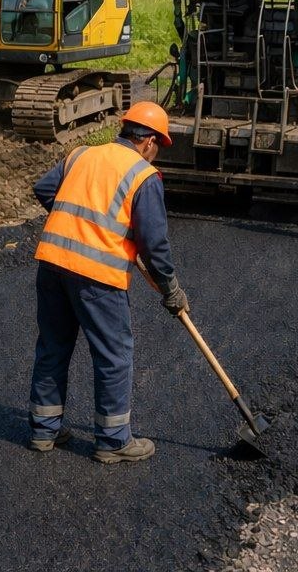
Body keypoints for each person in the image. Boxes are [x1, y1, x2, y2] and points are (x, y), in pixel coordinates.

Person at [26, 101, 189, 463]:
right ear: (149, 141)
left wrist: (74, 225)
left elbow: (44, 189)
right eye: (158, 147)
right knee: (114, 356)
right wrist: (171, 289)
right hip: (97, 277)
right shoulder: (143, 175)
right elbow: (154, 244)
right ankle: (113, 441)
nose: (156, 154)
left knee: (53, 346)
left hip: (52, 264)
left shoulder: (81, 154)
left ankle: (43, 431)